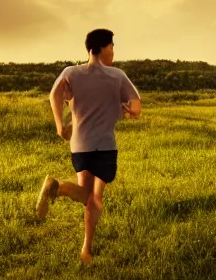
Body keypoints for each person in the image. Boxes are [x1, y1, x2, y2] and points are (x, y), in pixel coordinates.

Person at [36, 28, 141, 264]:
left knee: (85, 193)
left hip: (80, 145)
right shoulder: (117, 76)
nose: (113, 51)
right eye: (112, 46)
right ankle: (86, 251)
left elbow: (54, 94)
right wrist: (130, 111)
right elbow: (136, 106)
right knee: (95, 199)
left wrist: (59, 125)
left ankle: (58, 187)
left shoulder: (71, 72)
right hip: (104, 145)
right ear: (102, 48)